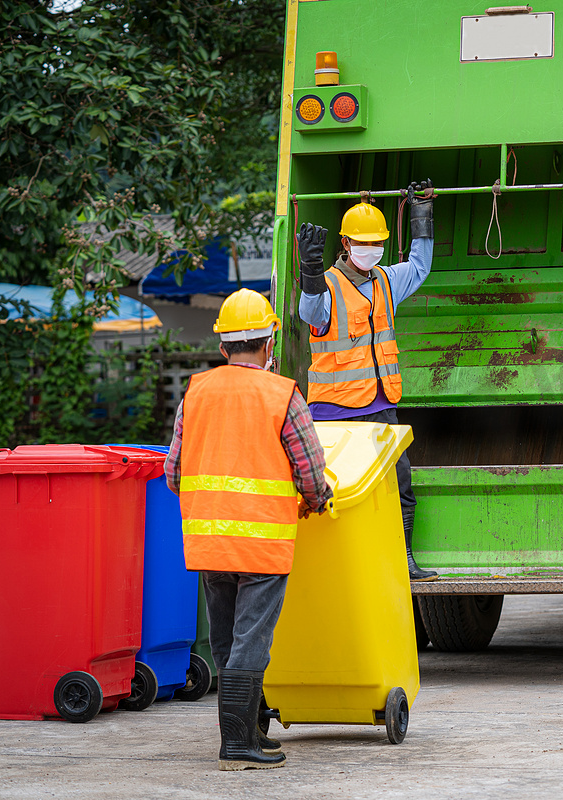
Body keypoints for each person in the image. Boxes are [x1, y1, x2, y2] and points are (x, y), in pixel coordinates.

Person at [165, 288, 333, 771]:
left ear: (223, 348)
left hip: (210, 543)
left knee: (225, 640)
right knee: (250, 641)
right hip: (261, 544)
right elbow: (310, 471)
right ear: (269, 343)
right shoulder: (283, 393)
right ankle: (238, 745)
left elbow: (173, 473)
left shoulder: (194, 393)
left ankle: (250, 729)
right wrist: (316, 502)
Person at [296, 179, 437, 581]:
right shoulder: (326, 286)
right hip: (333, 414)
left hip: (379, 407)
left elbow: (421, 266)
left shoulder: (387, 280)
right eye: (363, 242)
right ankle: (336, 569)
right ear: (345, 242)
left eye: (377, 243)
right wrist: (309, 272)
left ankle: (404, 560)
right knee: (336, 492)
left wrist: (421, 212)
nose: (371, 249)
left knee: (399, 487)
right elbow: (311, 314)